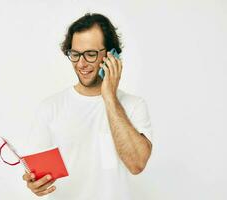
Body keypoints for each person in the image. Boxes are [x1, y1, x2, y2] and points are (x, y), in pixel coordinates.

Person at [22, 13, 153, 199]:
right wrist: (34, 183)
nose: (81, 64)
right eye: (75, 54)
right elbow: (38, 175)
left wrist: (109, 97)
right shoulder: (50, 107)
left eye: (90, 54)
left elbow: (137, 164)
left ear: (111, 55)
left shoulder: (133, 106)